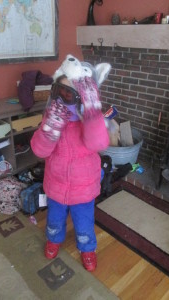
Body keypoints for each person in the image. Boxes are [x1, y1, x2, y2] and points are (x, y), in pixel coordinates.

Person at [30, 54, 111, 271]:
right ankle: (53, 240)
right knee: (54, 221)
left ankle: (87, 249)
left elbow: (99, 143)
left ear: (85, 98)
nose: (60, 99)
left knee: (84, 225)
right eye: (58, 91)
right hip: (55, 187)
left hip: (83, 190)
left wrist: (92, 113)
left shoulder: (90, 122)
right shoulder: (53, 117)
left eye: (68, 94)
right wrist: (51, 126)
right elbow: (39, 150)